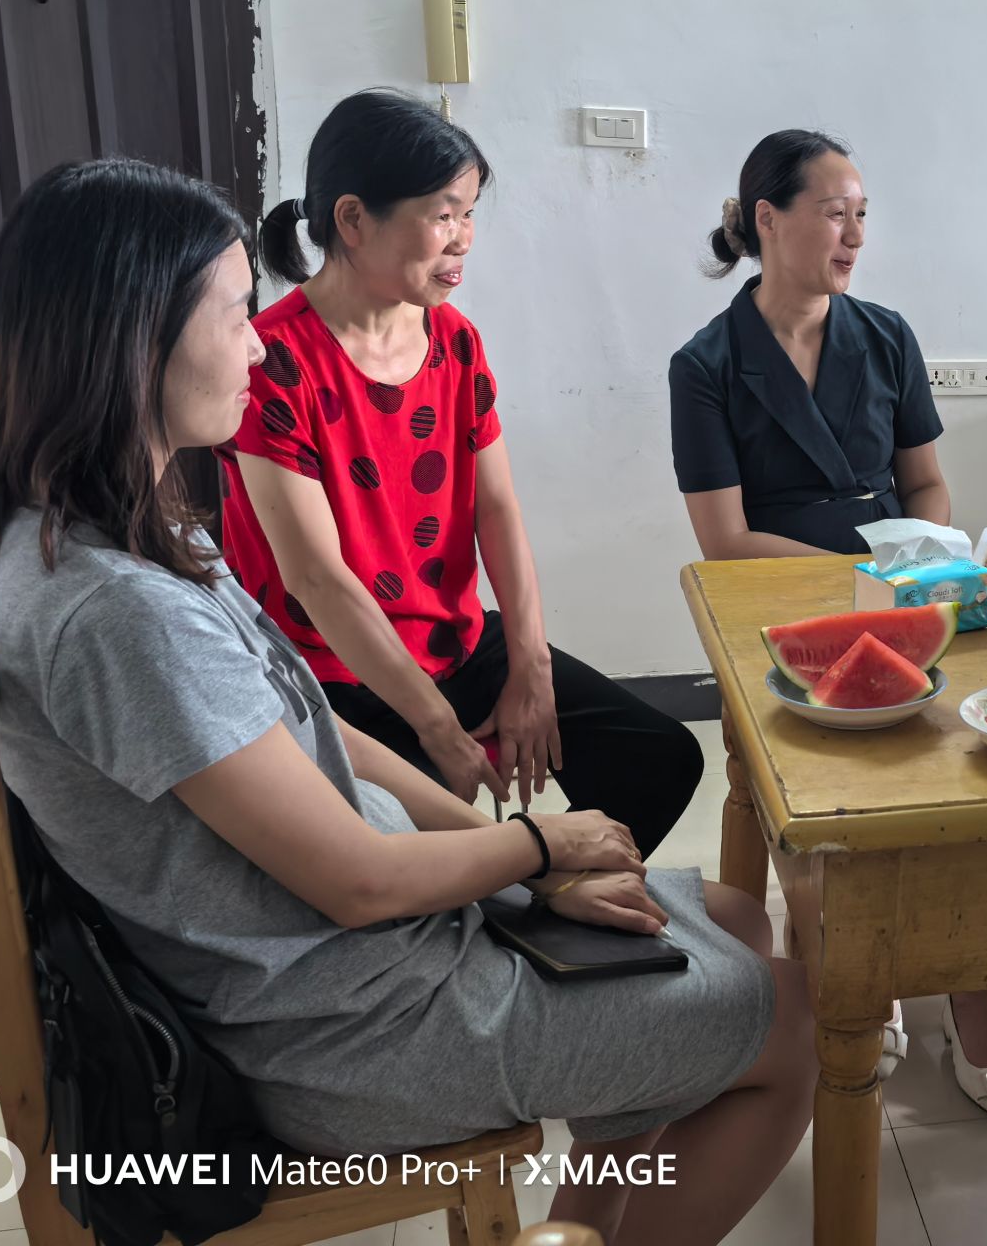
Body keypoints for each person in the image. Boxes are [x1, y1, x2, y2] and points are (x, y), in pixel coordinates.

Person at [0, 158, 813, 1245]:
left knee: (732, 918)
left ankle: (588, 1208)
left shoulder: (124, 534)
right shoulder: (117, 612)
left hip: (374, 956)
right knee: (796, 1023)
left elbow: (320, 728)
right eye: (236, 315)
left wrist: (520, 865)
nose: (258, 347)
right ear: (131, 339)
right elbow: (356, 883)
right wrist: (537, 848)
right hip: (345, 1030)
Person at [219, 90, 703, 853]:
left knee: (660, 758)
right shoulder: (274, 361)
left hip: (456, 641)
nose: (464, 239)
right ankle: (530, 892)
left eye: (470, 213)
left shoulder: (455, 341)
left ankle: (558, 903)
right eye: (444, 215)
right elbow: (316, 578)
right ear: (353, 219)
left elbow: (497, 510)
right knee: (434, 848)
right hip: (338, 674)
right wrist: (438, 727)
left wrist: (530, 668)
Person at [668, 129, 987, 1120]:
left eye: (863, 214)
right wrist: (860, 581)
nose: (855, 235)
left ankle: (974, 981)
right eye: (834, 213)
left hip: (905, 584)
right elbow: (724, 539)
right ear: (766, 220)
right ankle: (854, 959)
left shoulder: (887, 336)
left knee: (966, 762)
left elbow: (926, 483)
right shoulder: (705, 365)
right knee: (836, 785)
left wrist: (923, 559)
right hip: (779, 599)